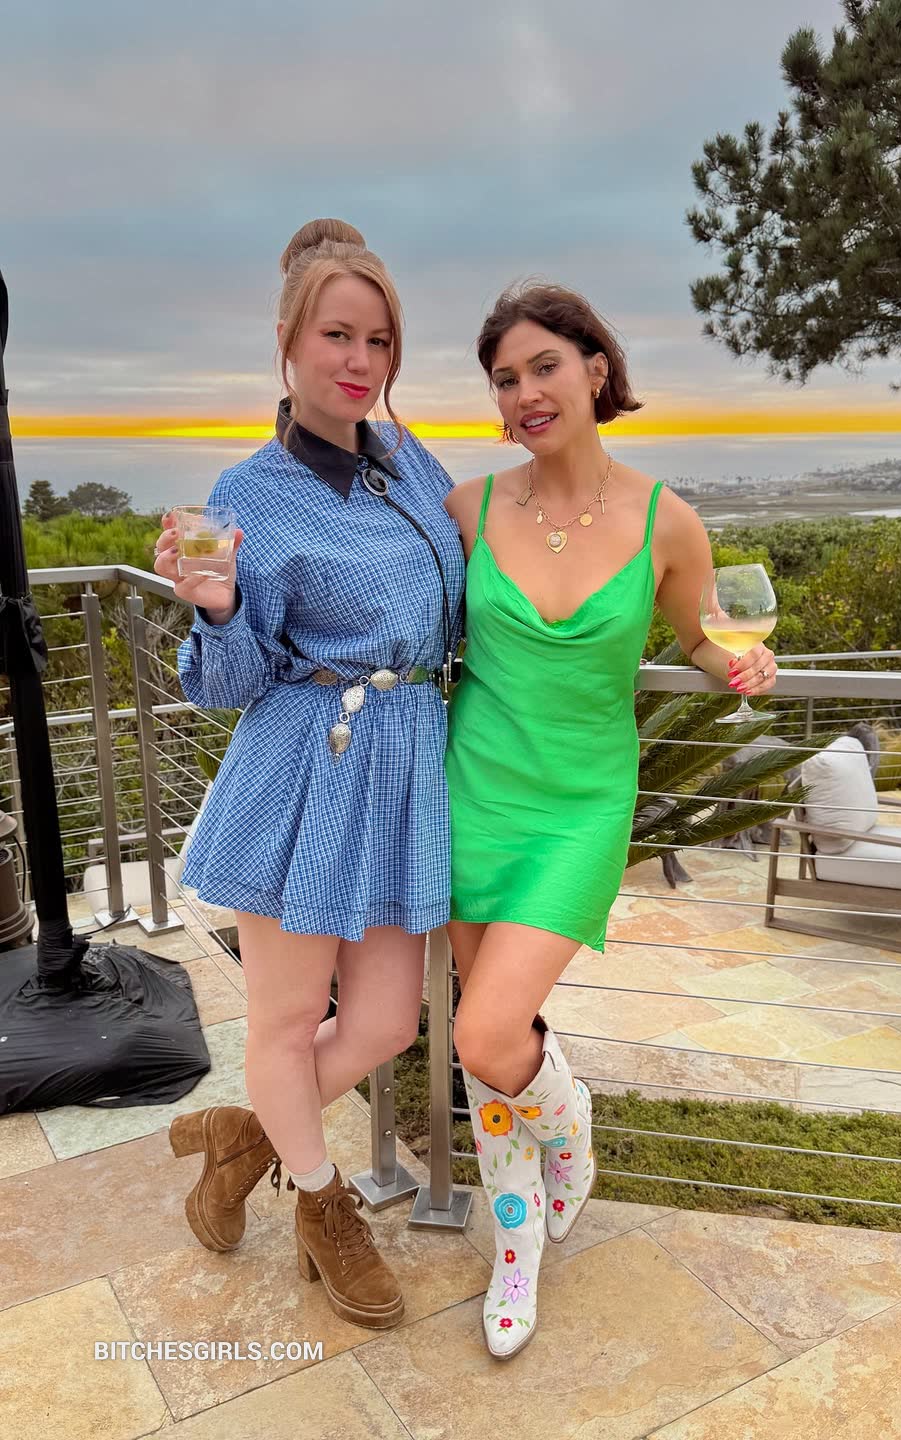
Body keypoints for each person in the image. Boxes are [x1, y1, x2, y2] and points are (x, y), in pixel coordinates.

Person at [443, 282, 777, 1358]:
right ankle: (515, 1245)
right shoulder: (467, 508)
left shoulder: (665, 519)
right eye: (506, 379)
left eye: (544, 366)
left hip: (582, 805)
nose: (526, 393)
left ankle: (572, 1126)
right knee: (488, 1048)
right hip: (472, 794)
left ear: (595, 369)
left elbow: (699, 635)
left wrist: (739, 660)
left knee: (487, 1033)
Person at [154, 219, 464, 1330]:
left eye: (379, 340)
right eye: (338, 335)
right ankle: (325, 1205)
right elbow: (228, 683)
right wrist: (216, 609)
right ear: (287, 343)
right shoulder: (249, 491)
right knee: (288, 1022)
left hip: (403, 768)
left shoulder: (410, 462)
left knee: (384, 1023)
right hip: (307, 767)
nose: (360, 360)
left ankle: (244, 1140)